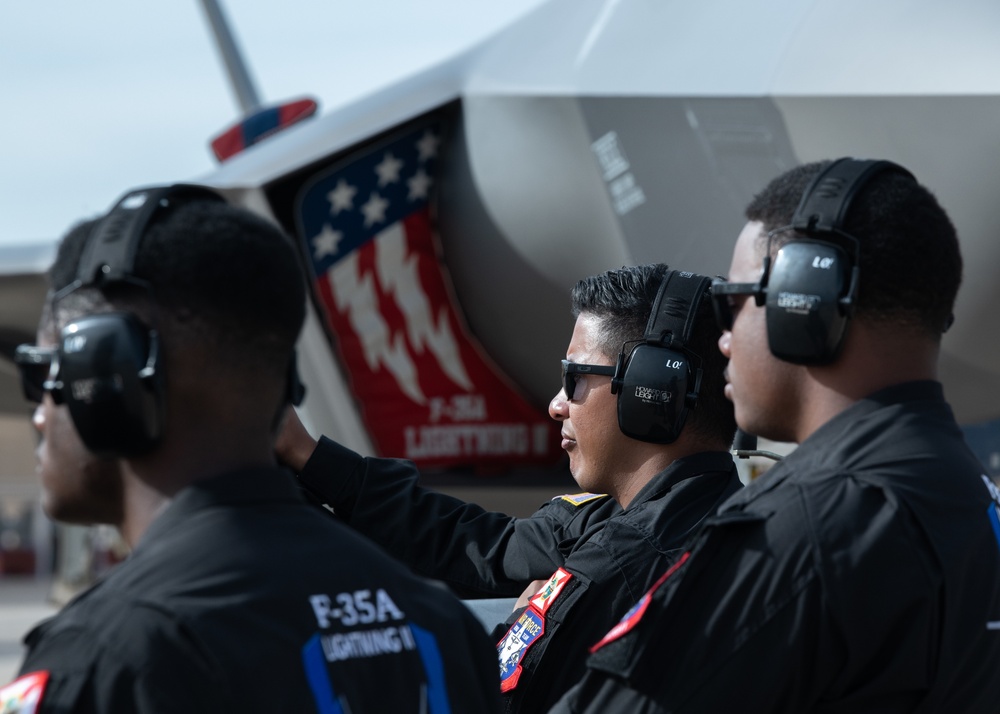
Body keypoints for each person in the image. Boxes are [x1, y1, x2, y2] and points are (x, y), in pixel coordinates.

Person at [0, 184, 501, 713]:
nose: (38, 413)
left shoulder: (104, 661)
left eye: (42, 374)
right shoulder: (442, 626)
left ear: (106, 374)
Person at [550, 158, 1000, 713]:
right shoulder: (971, 495)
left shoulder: (805, 526)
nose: (723, 341)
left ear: (802, 300)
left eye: (735, 304)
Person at [276, 263, 742, 713]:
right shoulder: (627, 517)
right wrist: (309, 457)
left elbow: (494, 698)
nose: (557, 405)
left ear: (650, 391)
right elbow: (476, 545)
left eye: (575, 378)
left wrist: (528, 617)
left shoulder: (624, 561)